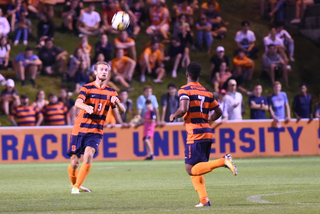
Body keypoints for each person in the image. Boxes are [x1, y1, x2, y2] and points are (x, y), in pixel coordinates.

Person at [169, 62, 237, 208]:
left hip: (194, 134)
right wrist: (209, 119)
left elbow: (183, 108)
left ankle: (223, 161)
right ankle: (204, 200)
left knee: (190, 169)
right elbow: (218, 112)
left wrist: (173, 116)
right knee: (198, 167)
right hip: (207, 132)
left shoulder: (184, 90)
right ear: (199, 75)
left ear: (187, 74)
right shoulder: (207, 92)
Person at [67, 61, 125, 194]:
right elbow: (77, 102)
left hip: (96, 130)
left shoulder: (111, 92)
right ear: (95, 72)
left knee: (88, 154)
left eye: (106, 70)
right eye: (101, 69)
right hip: (80, 128)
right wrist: (85, 106)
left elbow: (122, 110)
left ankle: (76, 187)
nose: (104, 72)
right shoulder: (87, 88)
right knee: (74, 161)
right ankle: (75, 184)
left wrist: (118, 104)